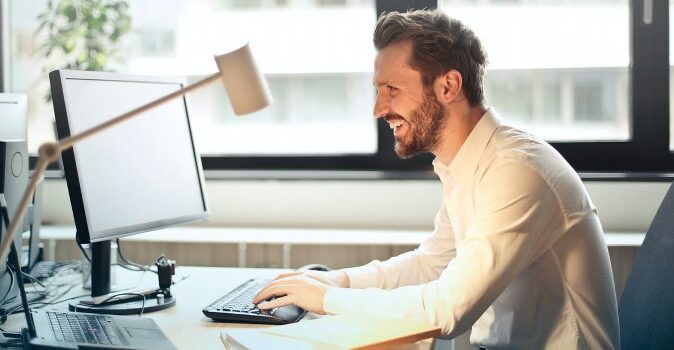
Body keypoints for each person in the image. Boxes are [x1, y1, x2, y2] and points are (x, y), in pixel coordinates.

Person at [252, 9, 620, 349]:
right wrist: (339, 281)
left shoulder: (517, 172)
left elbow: (447, 312)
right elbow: (432, 263)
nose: (378, 109)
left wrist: (326, 300)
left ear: (448, 87)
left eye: (392, 90)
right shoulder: (467, 164)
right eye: (378, 91)